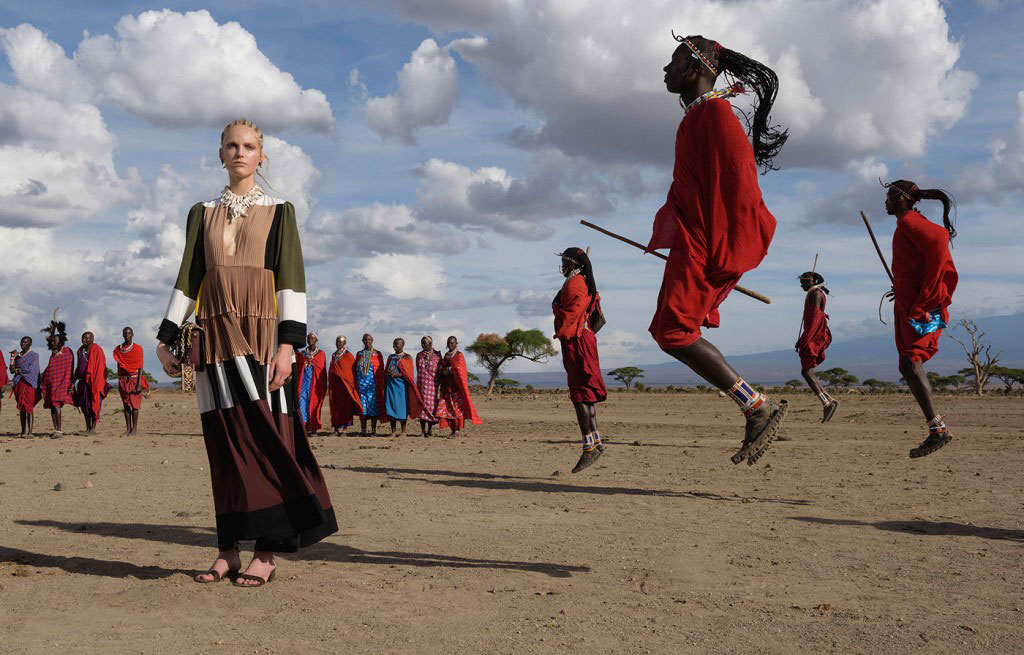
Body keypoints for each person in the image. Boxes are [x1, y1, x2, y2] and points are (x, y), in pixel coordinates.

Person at [155, 117, 336, 587]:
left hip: (260, 338)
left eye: (249, 146)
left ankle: (269, 551)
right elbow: (189, 276)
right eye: (232, 145)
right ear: (220, 153)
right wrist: (167, 336)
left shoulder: (281, 211)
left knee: (265, 438)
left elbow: (292, 280)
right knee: (225, 443)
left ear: (262, 156)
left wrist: (287, 345)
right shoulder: (201, 211)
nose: (240, 152)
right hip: (213, 336)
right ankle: (228, 549)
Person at [647, 34, 789, 466]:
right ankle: (754, 405)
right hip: (693, 243)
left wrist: (721, 255)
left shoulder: (716, 116)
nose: (665, 70)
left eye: (673, 61)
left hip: (705, 246)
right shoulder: (697, 118)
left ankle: (757, 406)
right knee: (668, 330)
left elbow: (742, 193)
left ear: (694, 68)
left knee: (673, 331)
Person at [883, 179, 959, 458]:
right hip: (914, 301)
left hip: (923, 305)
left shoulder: (909, 222)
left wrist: (925, 295)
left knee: (911, 361)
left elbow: (939, 241)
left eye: (890, 196)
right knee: (907, 364)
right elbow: (916, 261)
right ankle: (935, 428)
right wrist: (904, 286)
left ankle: (937, 429)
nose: (886, 202)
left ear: (902, 197)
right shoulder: (907, 222)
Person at [553, 248, 608, 473]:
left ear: (573, 263)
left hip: (577, 342)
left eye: (565, 262)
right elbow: (600, 320)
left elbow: (569, 316)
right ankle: (595, 442)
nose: (562, 266)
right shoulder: (585, 283)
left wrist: (558, 308)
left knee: (579, 395)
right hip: (584, 340)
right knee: (585, 395)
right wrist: (588, 334)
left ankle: (589, 447)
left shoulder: (575, 284)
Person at [795, 272, 837, 422]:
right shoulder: (812, 294)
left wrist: (806, 339)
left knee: (806, 372)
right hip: (811, 335)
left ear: (811, 282)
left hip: (814, 336)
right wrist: (801, 338)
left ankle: (827, 403)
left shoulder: (816, 294)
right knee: (807, 371)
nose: (801, 285)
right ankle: (828, 400)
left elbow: (816, 318)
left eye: (803, 282)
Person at [434, 336, 481, 437]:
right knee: (447, 409)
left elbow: (460, 369)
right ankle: (452, 430)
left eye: (452, 343)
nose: (450, 345)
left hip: (456, 387)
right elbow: (441, 367)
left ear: (456, 344)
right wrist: (442, 370)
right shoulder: (446, 356)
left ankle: (457, 430)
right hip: (446, 387)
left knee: (457, 409)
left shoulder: (459, 355)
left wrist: (450, 370)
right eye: (449, 343)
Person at [384, 338, 427, 436]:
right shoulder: (391, 357)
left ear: (402, 345)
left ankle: (403, 431)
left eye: (397, 344)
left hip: (401, 388)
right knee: (390, 408)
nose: (395, 345)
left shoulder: (407, 357)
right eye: (394, 343)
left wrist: (396, 375)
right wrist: (388, 374)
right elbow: (386, 370)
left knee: (402, 408)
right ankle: (393, 432)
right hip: (390, 387)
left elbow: (409, 375)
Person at [40, 315, 74, 438]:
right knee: (52, 406)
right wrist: (53, 327)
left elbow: (70, 368)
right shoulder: (53, 354)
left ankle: (59, 431)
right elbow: (50, 368)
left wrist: (71, 382)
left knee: (56, 404)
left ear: (61, 341)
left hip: (62, 383)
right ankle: (55, 429)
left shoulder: (67, 352)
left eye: (55, 341)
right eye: (52, 341)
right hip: (51, 383)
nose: (53, 343)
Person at [112, 326, 149, 436]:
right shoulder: (118, 349)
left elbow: (140, 367)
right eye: (125, 333)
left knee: (135, 405)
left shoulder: (138, 348)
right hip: (123, 381)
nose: (126, 335)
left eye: (129, 333)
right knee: (126, 405)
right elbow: (119, 366)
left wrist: (139, 384)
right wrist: (120, 379)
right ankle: (128, 429)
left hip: (134, 379)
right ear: (122, 335)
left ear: (132, 334)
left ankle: (134, 429)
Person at [73, 332, 109, 436]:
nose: (84, 340)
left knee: (93, 404)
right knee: (84, 406)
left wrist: (96, 382)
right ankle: (88, 428)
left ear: (92, 339)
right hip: (82, 383)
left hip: (94, 382)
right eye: (82, 338)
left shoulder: (97, 350)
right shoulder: (80, 351)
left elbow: (101, 367)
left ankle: (93, 428)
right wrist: (73, 380)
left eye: (86, 338)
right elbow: (78, 366)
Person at [327, 335, 361, 435]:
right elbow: (331, 369)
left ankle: (345, 429)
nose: (338, 344)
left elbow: (351, 371)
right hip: (336, 386)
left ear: (344, 343)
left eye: (340, 342)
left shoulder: (348, 355)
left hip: (346, 387)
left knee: (346, 407)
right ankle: (336, 428)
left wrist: (348, 382)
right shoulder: (334, 355)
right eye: (337, 342)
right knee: (335, 407)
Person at [296, 332, 327, 435]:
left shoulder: (321, 353)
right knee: (302, 403)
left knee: (314, 404)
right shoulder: (303, 354)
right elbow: (299, 368)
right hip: (304, 382)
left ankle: (313, 428)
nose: (310, 340)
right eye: (309, 338)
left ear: (316, 340)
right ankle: (304, 426)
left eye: (312, 338)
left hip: (315, 384)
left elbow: (321, 370)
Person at [354, 333, 386, 436]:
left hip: (373, 387)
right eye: (365, 340)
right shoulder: (359, 354)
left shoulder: (377, 354)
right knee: (362, 409)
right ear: (362, 341)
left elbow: (380, 371)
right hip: (361, 386)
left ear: (372, 340)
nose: (367, 342)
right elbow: (356, 370)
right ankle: (363, 430)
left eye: (369, 340)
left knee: (373, 410)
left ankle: (373, 431)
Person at [9, 336, 41, 437]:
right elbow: (11, 370)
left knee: (28, 407)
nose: (23, 344)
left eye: (25, 342)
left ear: (30, 344)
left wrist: (19, 370)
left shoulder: (34, 356)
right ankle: (23, 431)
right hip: (19, 384)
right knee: (22, 408)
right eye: (22, 342)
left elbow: (33, 371)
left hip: (29, 384)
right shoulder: (17, 356)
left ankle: (30, 432)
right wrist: (12, 358)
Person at [415, 336, 441, 436]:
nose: (422, 345)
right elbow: (418, 370)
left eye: (424, 343)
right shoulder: (419, 355)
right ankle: (422, 431)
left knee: (431, 408)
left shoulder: (437, 356)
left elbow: (439, 371)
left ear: (431, 343)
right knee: (422, 407)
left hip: (432, 386)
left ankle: (429, 430)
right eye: (421, 343)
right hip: (421, 385)